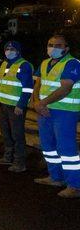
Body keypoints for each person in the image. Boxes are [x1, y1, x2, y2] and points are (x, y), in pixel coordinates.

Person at [33, 35, 80, 198]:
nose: (53, 47)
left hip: (65, 112)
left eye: (58, 45)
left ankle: (75, 185)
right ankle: (55, 177)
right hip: (45, 110)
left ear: (66, 48)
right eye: (50, 44)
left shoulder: (72, 63)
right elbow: (38, 84)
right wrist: (36, 103)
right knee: (48, 147)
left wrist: (42, 103)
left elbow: (66, 88)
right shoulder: (45, 63)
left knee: (66, 149)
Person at [0, 41, 33, 173]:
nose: (9, 51)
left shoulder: (24, 65)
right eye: (7, 48)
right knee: (5, 133)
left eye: (12, 49)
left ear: (18, 51)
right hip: (3, 104)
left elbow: (27, 88)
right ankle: (8, 157)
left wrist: (21, 105)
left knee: (17, 134)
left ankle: (19, 162)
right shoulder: (4, 64)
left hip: (15, 107)